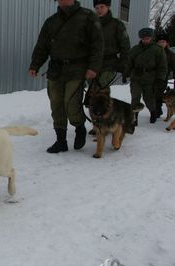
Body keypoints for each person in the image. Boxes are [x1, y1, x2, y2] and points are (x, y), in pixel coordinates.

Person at [29, 0, 103, 153]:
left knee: (71, 104)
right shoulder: (51, 21)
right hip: (56, 69)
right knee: (56, 104)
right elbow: (42, 45)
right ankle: (61, 141)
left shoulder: (88, 16)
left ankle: (79, 127)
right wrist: (35, 65)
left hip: (77, 68)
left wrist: (93, 67)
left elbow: (97, 44)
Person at [86, 0, 131, 135]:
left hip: (109, 64)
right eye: (97, 7)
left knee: (101, 93)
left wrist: (123, 65)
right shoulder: (91, 24)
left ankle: (104, 122)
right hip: (92, 64)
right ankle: (97, 123)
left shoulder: (117, 25)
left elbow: (125, 46)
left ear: (108, 7)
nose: (99, 10)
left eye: (102, 7)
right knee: (92, 94)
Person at [127, 28, 167, 125]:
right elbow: (128, 63)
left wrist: (160, 78)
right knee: (135, 96)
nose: (146, 40)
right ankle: (134, 117)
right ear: (141, 38)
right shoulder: (135, 49)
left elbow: (162, 66)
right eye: (144, 38)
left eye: (148, 38)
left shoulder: (158, 50)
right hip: (136, 77)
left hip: (150, 78)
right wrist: (126, 73)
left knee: (148, 97)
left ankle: (153, 112)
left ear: (151, 38)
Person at [155, 32, 175, 117]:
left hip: (163, 78)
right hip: (151, 77)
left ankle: (157, 110)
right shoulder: (152, 52)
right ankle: (154, 109)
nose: (161, 43)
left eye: (163, 42)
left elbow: (174, 66)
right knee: (151, 95)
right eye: (159, 42)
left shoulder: (170, 54)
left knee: (159, 94)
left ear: (166, 43)